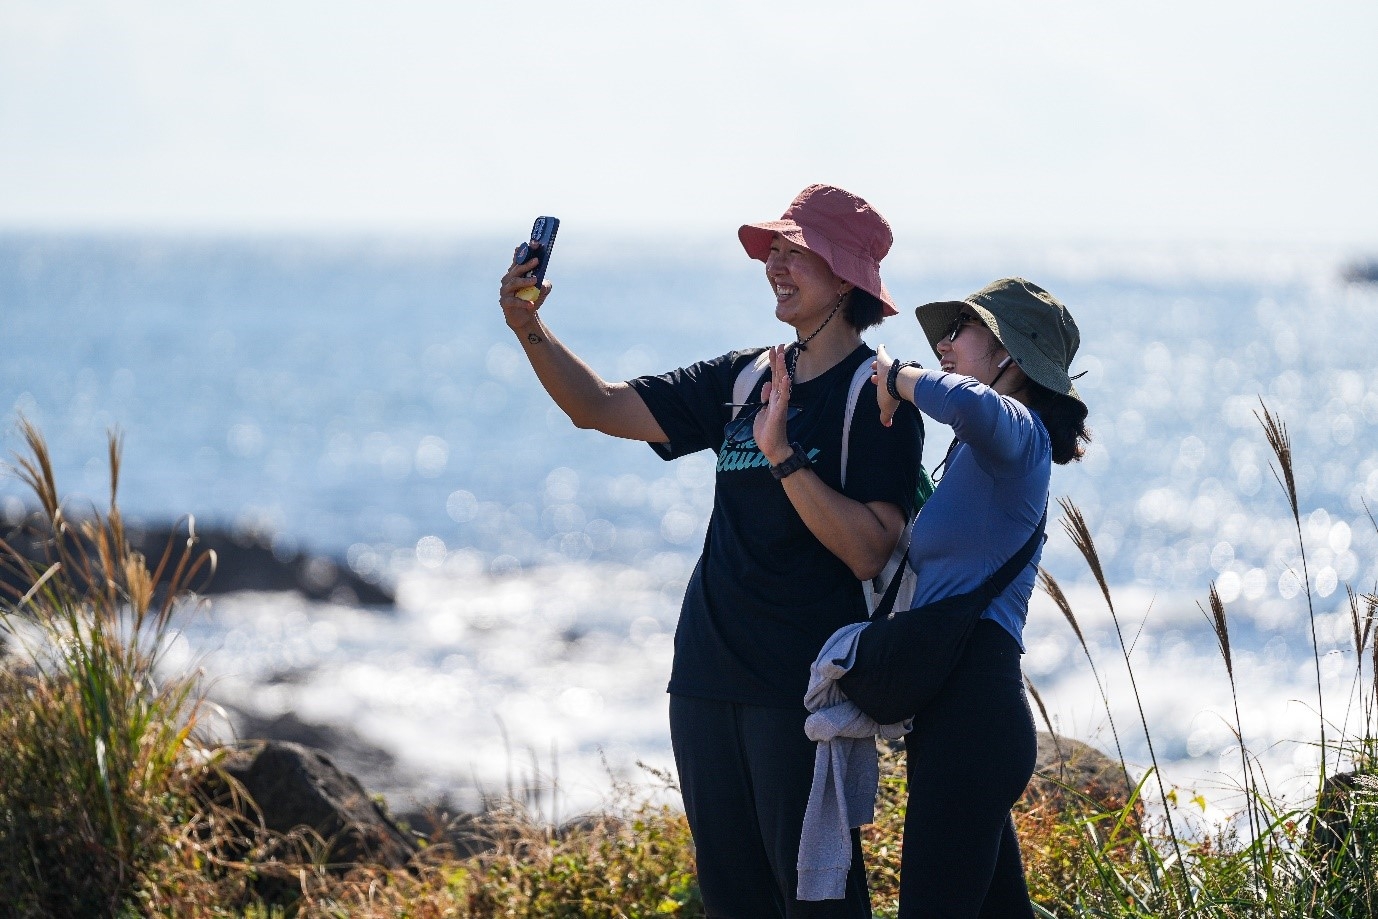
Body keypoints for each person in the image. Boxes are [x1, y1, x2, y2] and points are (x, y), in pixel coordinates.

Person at [497, 184, 923, 917]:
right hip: (703, 679)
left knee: (818, 901)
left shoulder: (877, 394)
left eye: (798, 253)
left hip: (803, 696)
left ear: (848, 276)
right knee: (733, 900)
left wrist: (783, 454)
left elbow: (868, 551)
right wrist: (527, 326)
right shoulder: (746, 377)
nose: (777, 266)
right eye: (775, 252)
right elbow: (597, 406)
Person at [866, 277, 1090, 917]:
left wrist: (895, 374)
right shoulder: (979, 454)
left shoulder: (1016, 431)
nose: (942, 341)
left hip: (974, 714)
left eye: (961, 329)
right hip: (960, 717)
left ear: (1008, 356)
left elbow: (968, 404)